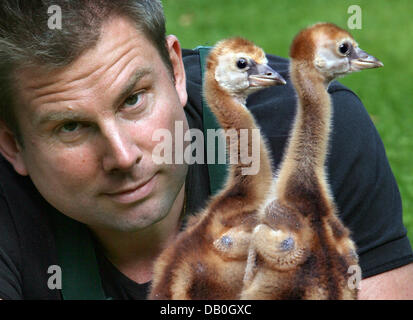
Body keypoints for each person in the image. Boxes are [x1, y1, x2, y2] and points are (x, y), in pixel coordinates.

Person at [0, 0, 411, 300]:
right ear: (12, 143)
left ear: (175, 69)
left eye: (133, 99)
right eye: (71, 126)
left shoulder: (309, 129)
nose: (123, 157)